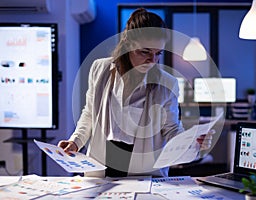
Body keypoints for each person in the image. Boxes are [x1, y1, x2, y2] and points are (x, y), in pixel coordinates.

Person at [58, 8, 214, 178]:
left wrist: (191, 142)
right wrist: (75, 141)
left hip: (144, 170)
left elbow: (171, 130)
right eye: (145, 52)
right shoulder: (100, 69)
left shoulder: (168, 83)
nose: (152, 60)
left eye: (158, 53)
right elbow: (89, 114)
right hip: (102, 165)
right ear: (128, 44)